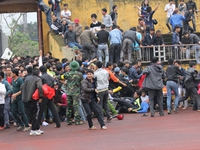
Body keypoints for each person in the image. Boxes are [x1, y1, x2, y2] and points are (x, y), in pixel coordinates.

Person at [21, 68, 44, 136]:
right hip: (33, 98)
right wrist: (41, 96)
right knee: (35, 114)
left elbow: (22, 87)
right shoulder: (38, 79)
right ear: (38, 73)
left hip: (25, 98)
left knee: (30, 114)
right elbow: (40, 87)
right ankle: (34, 129)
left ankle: (36, 128)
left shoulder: (27, 78)